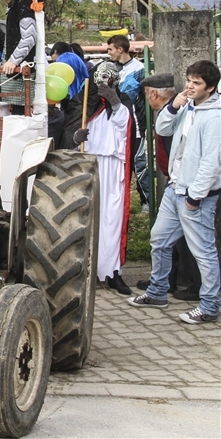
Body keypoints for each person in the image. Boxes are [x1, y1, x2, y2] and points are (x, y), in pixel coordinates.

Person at [128, 61, 221, 325]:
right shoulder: (189, 106)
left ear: (210, 88)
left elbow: (211, 163)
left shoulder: (215, 117)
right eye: (189, 80)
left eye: (197, 83)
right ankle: (157, 292)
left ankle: (210, 306)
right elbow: (163, 129)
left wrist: (195, 196)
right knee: (159, 240)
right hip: (175, 189)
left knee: (203, 251)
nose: (190, 86)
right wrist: (173, 106)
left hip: (195, 195)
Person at [67, 62, 135, 295]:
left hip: (113, 166)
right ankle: (82, 271)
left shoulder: (123, 101)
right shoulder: (82, 98)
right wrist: (76, 137)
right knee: (85, 216)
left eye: (111, 80)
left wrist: (115, 102)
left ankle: (111, 271)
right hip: (88, 163)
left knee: (111, 219)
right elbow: (68, 130)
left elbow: (126, 129)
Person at [135, 73, 201, 300]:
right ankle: (166, 282)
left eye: (146, 95)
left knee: (191, 239)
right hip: (174, 181)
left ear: (153, 94)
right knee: (167, 238)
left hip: (183, 183)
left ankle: (196, 286)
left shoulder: (174, 114)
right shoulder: (171, 112)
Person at [0, 0, 50, 115]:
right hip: (23, 68)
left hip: (22, 71)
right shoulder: (27, 0)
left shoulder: (23, 1)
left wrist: (13, 61)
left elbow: (29, 36)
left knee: (21, 114)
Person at [107, 34, 149, 212]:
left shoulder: (139, 68)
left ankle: (146, 200)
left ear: (120, 49)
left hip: (136, 123)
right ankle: (118, 201)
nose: (108, 53)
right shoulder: (109, 67)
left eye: (110, 49)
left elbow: (128, 92)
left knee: (139, 163)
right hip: (115, 125)